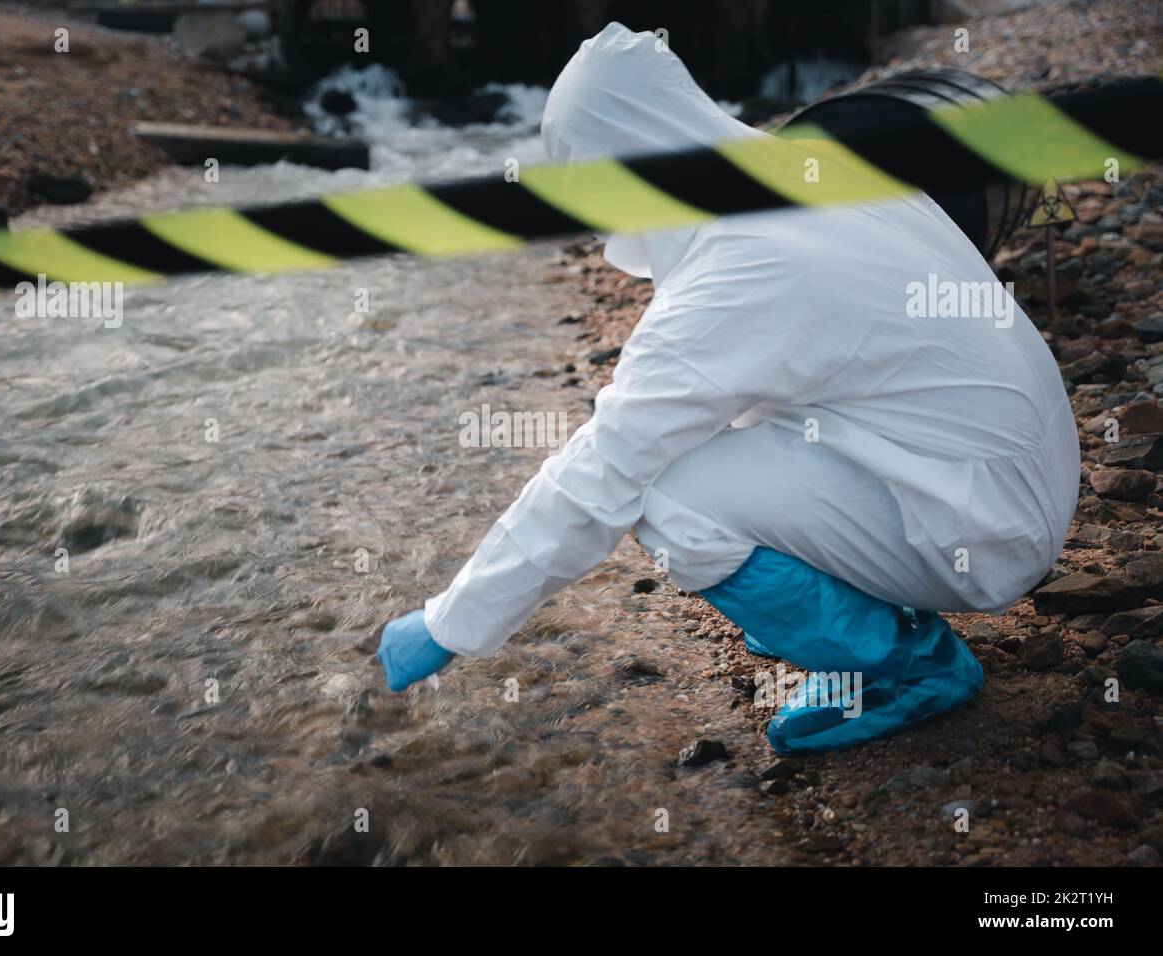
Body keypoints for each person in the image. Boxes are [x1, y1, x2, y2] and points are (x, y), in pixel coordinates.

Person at [377, 23, 1079, 754]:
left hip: (983, 527)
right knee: (711, 437)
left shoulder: (736, 272)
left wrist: (448, 621)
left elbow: (601, 474)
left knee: (666, 494)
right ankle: (846, 609)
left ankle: (908, 667)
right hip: (1018, 474)